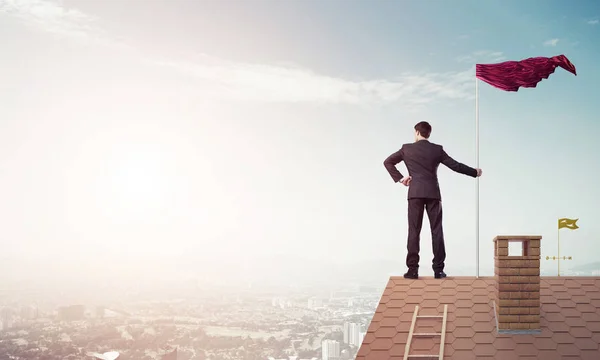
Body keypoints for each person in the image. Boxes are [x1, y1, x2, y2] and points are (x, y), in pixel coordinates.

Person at [383, 121, 482, 279]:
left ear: (416, 132)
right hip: (433, 194)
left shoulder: (406, 148)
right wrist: (474, 172)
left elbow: (387, 162)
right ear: (429, 133)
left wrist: (402, 178)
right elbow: (455, 165)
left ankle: (413, 270)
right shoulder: (437, 149)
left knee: (414, 231)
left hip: (415, 193)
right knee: (437, 231)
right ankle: (438, 270)